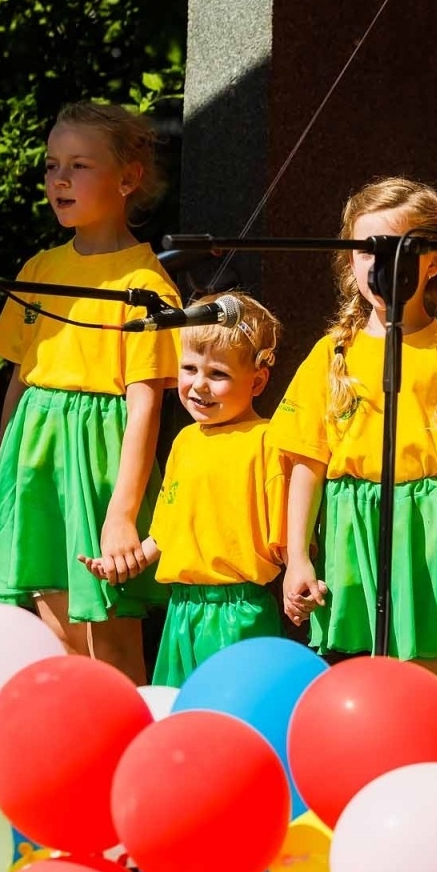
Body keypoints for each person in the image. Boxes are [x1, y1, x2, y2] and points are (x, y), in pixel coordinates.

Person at [0, 101, 178, 684]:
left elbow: (145, 407)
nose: (59, 179)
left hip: (98, 466)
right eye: (51, 165)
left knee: (107, 635)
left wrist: (122, 514)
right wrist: (7, 481)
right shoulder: (39, 269)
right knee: (54, 631)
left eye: (79, 165)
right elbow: (20, 381)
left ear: (128, 178)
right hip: (37, 462)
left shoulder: (144, 282)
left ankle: (128, 735)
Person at [272, 177, 437, 677]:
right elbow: (307, 464)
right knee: (354, 666)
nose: (377, 265)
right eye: (365, 251)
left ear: (433, 261)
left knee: (422, 668)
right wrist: (298, 558)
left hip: (428, 524)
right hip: (351, 523)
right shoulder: (332, 353)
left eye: (396, 250)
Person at [79, 293, 288, 687]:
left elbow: (285, 532)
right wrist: (128, 562)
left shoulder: (266, 440)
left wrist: (301, 574)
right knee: (178, 708)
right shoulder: (185, 441)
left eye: (218, 374)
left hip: (239, 610)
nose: (198, 385)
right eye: (189, 368)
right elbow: (168, 529)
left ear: (258, 381)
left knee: (232, 709)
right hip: (181, 611)